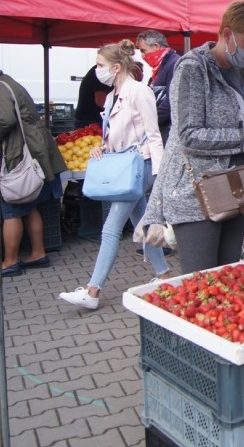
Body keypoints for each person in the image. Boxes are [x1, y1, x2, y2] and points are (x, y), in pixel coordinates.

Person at [139, 1, 244, 274]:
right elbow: (189, 136)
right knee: (202, 283)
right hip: (197, 193)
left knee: (227, 276)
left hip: (236, 187)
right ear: (226, 33)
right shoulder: (193, 68)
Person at [58, 40, 169, 309]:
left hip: (138, 167)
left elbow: (154, 136)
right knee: (142, 223)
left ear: (116, 67)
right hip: (124, 168)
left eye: (100, 65)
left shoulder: (139, 92)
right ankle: (165, 277)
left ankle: (93, 291)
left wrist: (159, 176)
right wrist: (101, 147)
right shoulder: (111, 97)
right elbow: (113, 135)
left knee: (110, 229)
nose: (97, 71)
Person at [0, 54, 68, 278]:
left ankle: (9, 261)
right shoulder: (7, 82)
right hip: (34, 149)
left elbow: (4, 120)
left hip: (19, 152)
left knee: (11, 209)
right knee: (29, 206)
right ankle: (38, 253)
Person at [136, 30, 181, 144]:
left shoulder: (174, 64)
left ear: (156, 46)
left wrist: (149, 120)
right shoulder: (160, 67)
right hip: (161, 129)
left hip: (169, 132)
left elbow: (172, 101)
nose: (142, 56)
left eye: (143, 51)